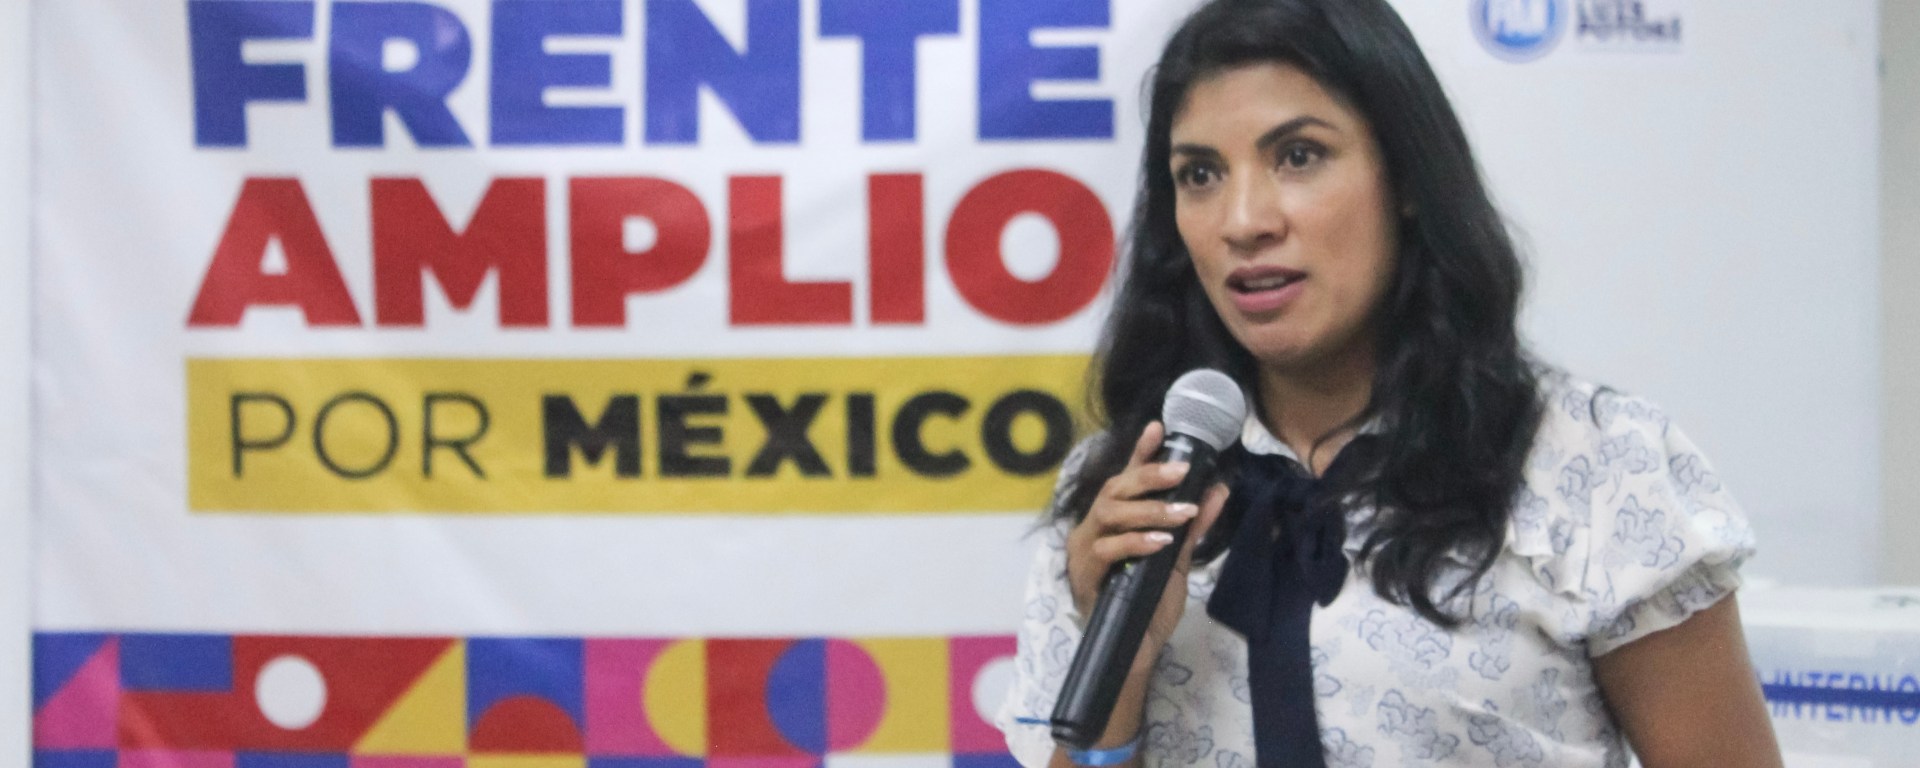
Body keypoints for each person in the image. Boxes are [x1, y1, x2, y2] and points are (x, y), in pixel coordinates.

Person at [994, 0, 1783, 766]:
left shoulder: (1594, 465)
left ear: (1405, 175)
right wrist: (1124, 668)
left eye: (1298, 156)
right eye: (1199, 174)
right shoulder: (1128, 494)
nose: (1243, 220)